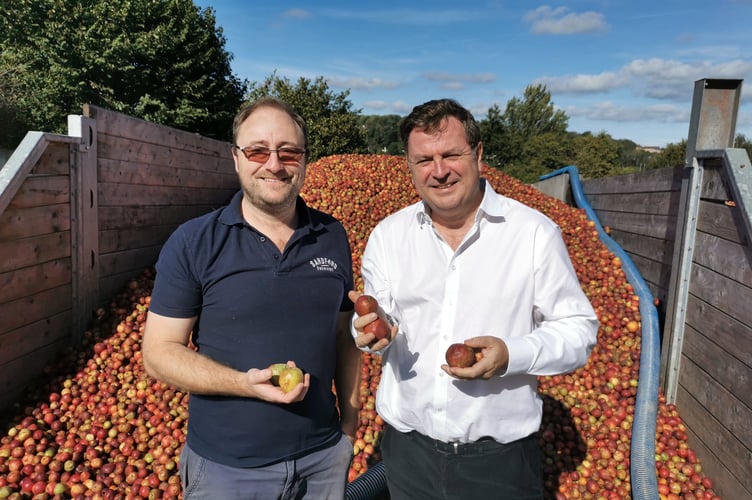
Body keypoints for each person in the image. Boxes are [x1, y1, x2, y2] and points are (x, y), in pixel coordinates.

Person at [348, 98, 599, 499]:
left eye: (451, 154)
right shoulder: (388, 237)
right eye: (424, 160)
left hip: (498, 465)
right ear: (409, 166)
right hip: (408, 456)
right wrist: (368, 331)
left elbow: (579, 331)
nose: (439, 170)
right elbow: (381, 321)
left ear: (478, 154)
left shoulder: (532, 233)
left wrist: (511, 355)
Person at [142, 97, 361, 500]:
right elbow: (158, 353)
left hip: (323, 460)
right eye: (258, 150)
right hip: (228, 470)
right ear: (236, 159)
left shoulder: (333, 234)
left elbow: (343, 334)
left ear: (305, 159)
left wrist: (349, 424)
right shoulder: (194, 241)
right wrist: (244, 384)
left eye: (288, 152)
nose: (274, 164)